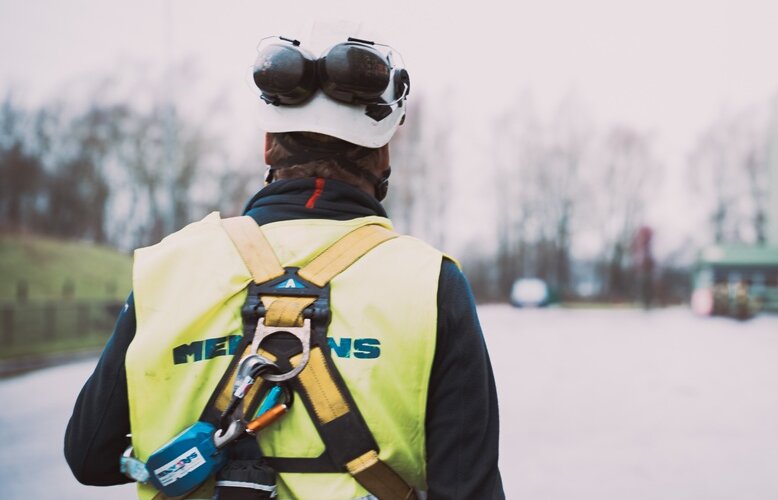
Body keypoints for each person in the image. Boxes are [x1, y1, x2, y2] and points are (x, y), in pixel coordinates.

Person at [65, 21, 504, 499]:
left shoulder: (168, 268)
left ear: (267, 145)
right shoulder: (430, 282)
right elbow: (469, 488)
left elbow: (90, 457)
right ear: (381, 157)